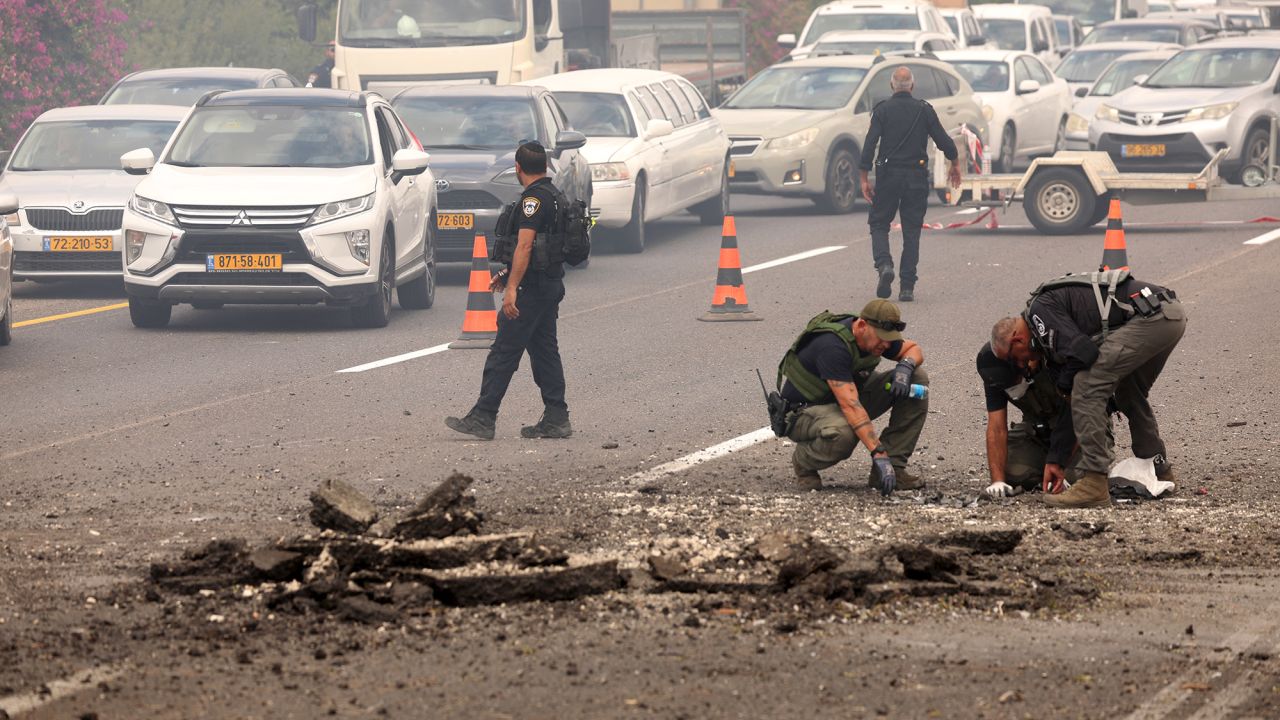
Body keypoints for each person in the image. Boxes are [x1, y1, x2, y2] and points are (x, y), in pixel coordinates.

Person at [990, 271, 1186, 508]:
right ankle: (1158, 467)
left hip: (1151, 318)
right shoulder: (1047, 331)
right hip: (1168, 316)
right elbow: (1070, 399)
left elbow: (1084, 354)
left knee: (1087, 383)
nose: (1020, 365)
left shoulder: (1038, 313)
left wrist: (1065, 384)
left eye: (1014, 359)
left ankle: (1094, 482)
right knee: (1128, 391)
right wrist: (1057, 460)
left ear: (1017, 340)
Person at [446, 141, 570, 440]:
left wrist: (512, 287)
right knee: (544, 352)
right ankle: (556, 417)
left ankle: (484, 416)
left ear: (518, 168)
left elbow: (526, 245)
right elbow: (544, 249)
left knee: (504, 351)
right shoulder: (556, 197)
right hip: (550, 283)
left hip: (533, 289)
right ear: (544, 166)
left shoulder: (533, 201)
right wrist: (507, 272)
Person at [778, 299, 929, 494]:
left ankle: (892, 470)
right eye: (882, 337)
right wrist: (878, 453)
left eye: (890, 338)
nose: (886, 344)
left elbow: (913, 349)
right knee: (844, 433)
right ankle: (804, 461)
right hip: (804, 413)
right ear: (862, 325)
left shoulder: (878, 339)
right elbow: (850, 406)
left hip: (842, 400)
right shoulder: (832, 346)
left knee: (916, 379)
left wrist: (905, 367)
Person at [859, 66, 962, 303]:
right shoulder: (924, 110)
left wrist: (864, 178)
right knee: (912, 231)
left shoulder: (882, 110)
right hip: (916, 177)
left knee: (878, 223)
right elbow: (944, 140)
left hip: (888, 177)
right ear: (912, 87)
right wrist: (954, 163)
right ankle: (907, 287)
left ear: (892, 86)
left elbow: (869, 145)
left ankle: (884, 264)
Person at [977, 342, 1086, 498]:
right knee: (1011, 473)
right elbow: (996, 428)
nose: (1011, 389)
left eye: (1013, 383)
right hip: (1037, 432)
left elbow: (1078, 417)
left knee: (1077, 479)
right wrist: (997, 482)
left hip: (1079, 433)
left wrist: (1060, 463)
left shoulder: (1055, 362)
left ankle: (1054, 467)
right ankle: (1046, 467)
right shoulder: (995, 375)